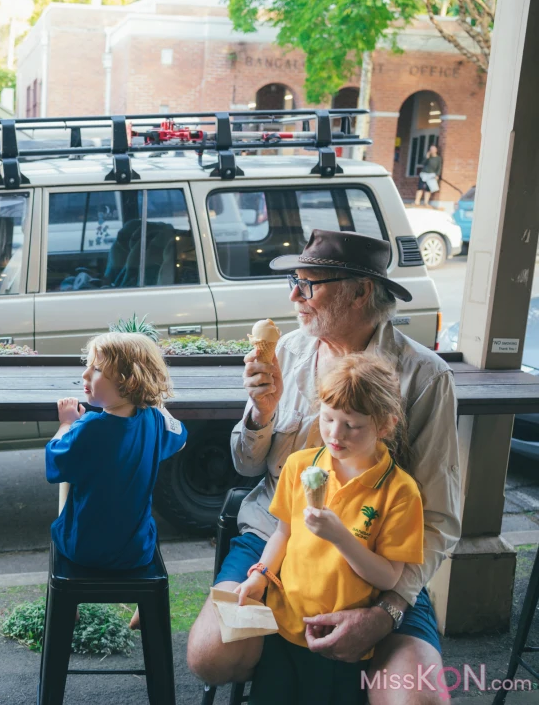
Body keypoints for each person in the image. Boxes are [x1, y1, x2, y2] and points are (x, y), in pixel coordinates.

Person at [186, 229, 460, 705]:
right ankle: (283, 649)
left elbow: (439, 519)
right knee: (209, 655)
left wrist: (389, 611)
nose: (294, 295)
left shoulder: (423, 377)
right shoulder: (287, 354)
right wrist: (261, 412)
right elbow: (247, 468)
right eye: (295, 280)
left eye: (310, 284)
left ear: (360, 293)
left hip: (373, 559)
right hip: (276, 538)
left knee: (417, 698)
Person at [234, 353, 424, 704]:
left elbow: (388, 578)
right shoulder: (299, 466)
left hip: (342, 639)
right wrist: (260, 575)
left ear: (384, 425)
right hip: (284, 623)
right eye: (327, 418)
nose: (335, 435)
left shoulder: (399, 491)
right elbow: (282, 533)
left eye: (352, 425)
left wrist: (340, 536)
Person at [46, 332, 187, 572]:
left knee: (64, 507)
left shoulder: (89, 427)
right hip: (137, 549)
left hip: (84, 549)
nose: (85, 374)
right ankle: (145, 610)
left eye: (97, 369)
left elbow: (55, 460)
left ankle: (69, 609)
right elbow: (180, 436)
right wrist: (156, 402)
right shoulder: (153, 420)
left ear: (128, 382)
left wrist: (66, 424)